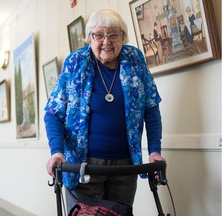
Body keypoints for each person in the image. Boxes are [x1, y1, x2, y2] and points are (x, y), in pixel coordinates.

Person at [44, 8, 165, 215]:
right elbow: (53, 112)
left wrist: (154, 151)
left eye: (113, 34)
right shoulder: (76, 62)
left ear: (123, 37)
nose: (106, 41)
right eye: (98, 35)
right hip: (83, 167)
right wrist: (57, 151)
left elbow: (151, 108)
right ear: (89, 38)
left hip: (125, 166)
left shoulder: (134, 59)